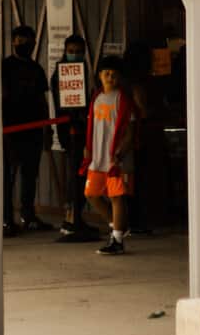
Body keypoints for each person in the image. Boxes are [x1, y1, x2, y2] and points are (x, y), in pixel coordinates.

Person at [81, 55, 140, 255]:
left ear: (120, 77)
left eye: (114, 74)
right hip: (97, 158)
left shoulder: (124, 100)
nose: (110, 77)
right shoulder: (96, 97)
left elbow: (131, 131)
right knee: (91, 194)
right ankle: (118, 225)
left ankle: (117, 240)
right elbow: (91, 127)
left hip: (115, 159)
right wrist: (87, 148)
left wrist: (121, 152)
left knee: (116, 197)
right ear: (99, 75)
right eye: (106, 73)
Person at [0, 25, 50, 233]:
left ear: (34, 43)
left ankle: (28, 215)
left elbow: (42, 98)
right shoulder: (4, 66)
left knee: (30, 175)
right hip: (9, 129)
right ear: (13, 42)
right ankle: (5, 219)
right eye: (19, 40)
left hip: (34, 128)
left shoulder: (37, 69)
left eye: (27, 41)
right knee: (7, 176)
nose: (23, 44)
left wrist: (47, 126)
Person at [49, 32, 96, 241]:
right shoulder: (59, 75)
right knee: (74, 175)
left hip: (87, 130)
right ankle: (71, 219)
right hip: (70, 130)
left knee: (81, 175)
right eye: (71, 52)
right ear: (64, 52)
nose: (74, 55)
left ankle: (76, 216)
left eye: (78, 52)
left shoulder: (88, 72)